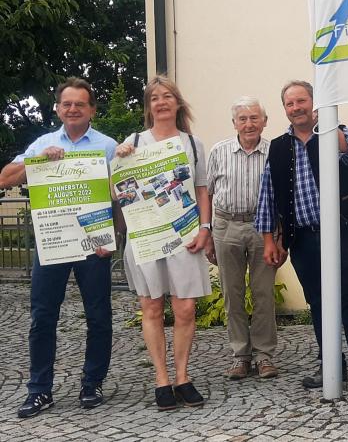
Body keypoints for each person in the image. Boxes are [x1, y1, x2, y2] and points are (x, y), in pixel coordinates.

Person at [254, 80, 348, 391]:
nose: (296, 108)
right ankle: (331, 365)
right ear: (285, 109)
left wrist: (327, 121)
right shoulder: (278, 146)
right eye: (290, 104)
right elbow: (267, 195)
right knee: (317, 302)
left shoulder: (334, 133)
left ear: (314, 104)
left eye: (302, 101)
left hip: (342, 231)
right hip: (303, 237)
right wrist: (270, 240)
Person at [0, 78, 117, 418]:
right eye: (67, 104)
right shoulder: (44, 143)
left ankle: (92, 383)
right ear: (57, 108)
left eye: (80, 103)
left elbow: (122, 192)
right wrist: (36, 164)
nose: (73, 109)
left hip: (93, 245)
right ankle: (39, 390)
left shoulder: (108, 146)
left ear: (92, 109)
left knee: (98, 316)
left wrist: (112, 237)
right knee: (42, 317)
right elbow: (5, 178)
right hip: (52, 242)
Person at [115, 75, 213, 410]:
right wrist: (120, 158)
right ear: (148, 106)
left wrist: (205, 228)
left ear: (177, 102)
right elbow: (121, 189)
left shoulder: (193, 143)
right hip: (146, 237)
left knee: (185, 308)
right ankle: (161, 380)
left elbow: (202, 189)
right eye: (154, 97)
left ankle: (183, 376)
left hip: (184, 235)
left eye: (167, 96)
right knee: (152, 306)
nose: (161, 102)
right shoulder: (134, 142)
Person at [205, 97, 278, 380]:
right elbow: (207, 194)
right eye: (243, 119)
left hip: (264, 229)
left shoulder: (275, 151)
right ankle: (240, 356)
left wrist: (279, 237)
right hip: (226, 226)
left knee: (263, 294)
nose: (249, 124)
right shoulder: (219, 151)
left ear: (264, 121)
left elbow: (282, 198)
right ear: (234, 123)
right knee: (232, 294)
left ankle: (264, 356)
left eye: (254, 118)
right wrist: (209, 233)